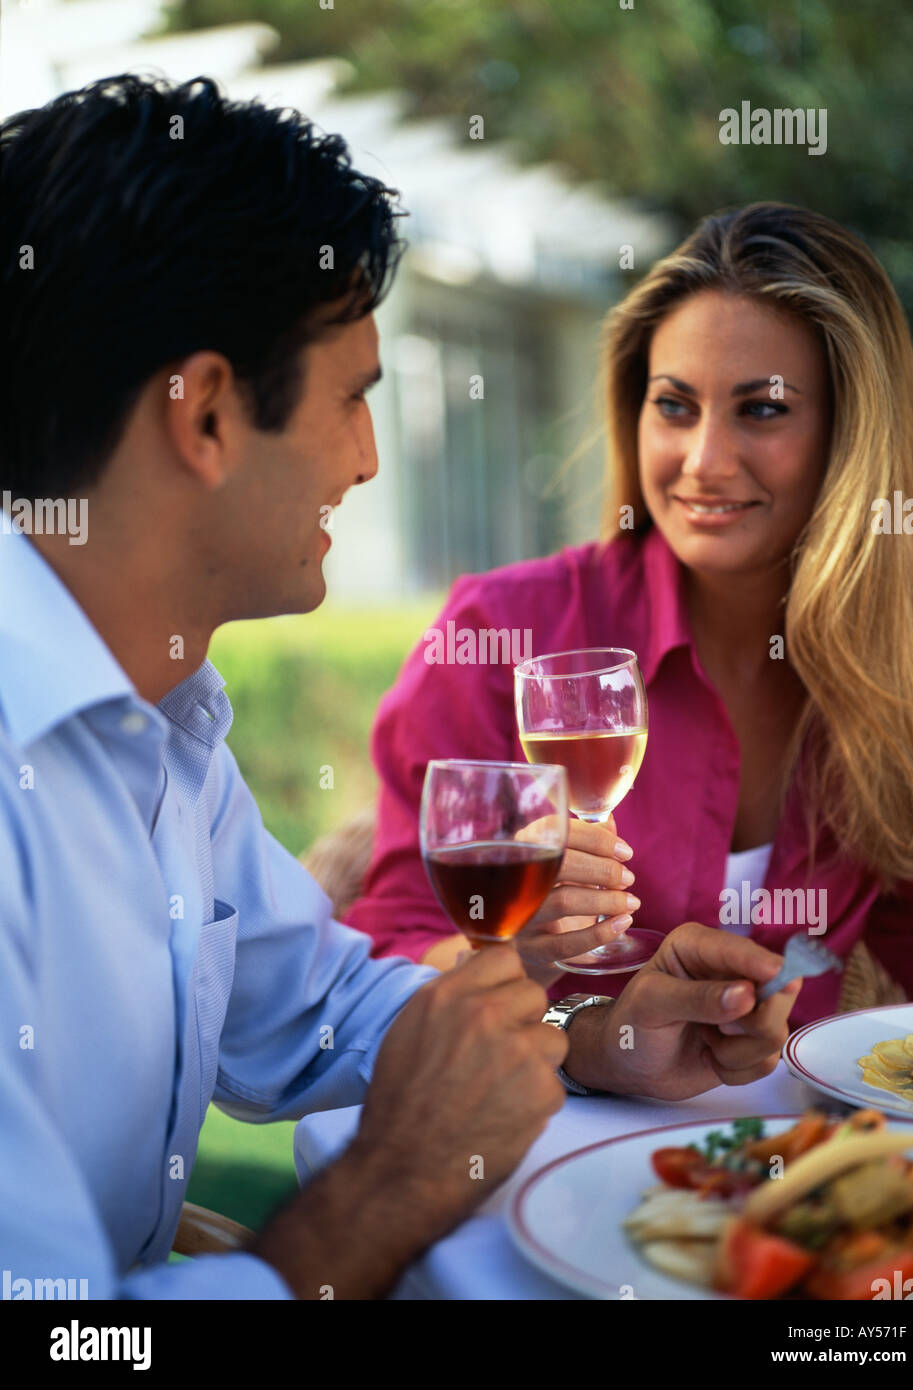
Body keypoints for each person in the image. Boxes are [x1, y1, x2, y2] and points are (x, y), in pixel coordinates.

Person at [0, 75, 798, 1302]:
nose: (370, 460)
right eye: (353, 399)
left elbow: (315, 1006)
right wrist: (383, 1190)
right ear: (206, 413)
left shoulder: (158, 722)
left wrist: (591, 1040)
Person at [346, 202, 913, 1024]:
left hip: (788, 1147)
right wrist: (517, 958)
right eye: (674, 405)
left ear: (853, 435)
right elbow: (393, 954)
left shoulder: (905, 670)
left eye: (762, 409)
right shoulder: (497, 635)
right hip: (541, 1140)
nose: (703, 461)